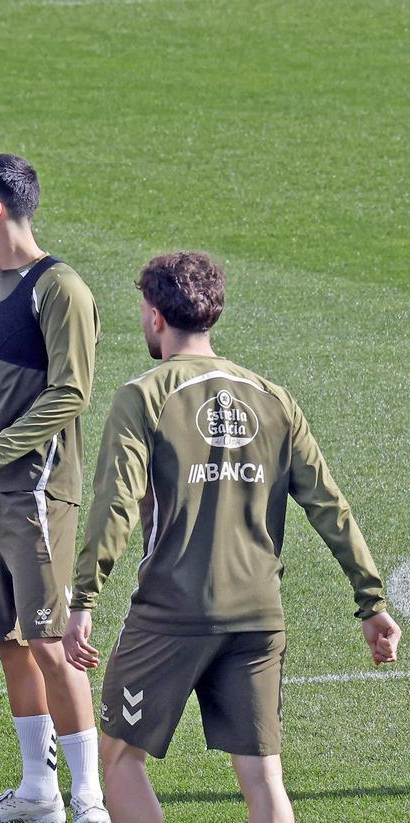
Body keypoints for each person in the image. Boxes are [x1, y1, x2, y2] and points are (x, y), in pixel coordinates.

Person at [62, 251, 402, 823]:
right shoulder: (275, 399)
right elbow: (330, 507)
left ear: (154, 316)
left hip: (172, 614)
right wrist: (371, 601)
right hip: (258, 618)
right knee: (263, 774)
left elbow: (115, 504)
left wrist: (83, 598)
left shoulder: (143, 396)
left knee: (119, 756)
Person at [0, 154, 108, 823]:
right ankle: (38, 791)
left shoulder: (60, 288)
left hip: (36, 494)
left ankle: (89, 799)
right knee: (8, 638)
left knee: (50, 641)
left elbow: (72, 394)